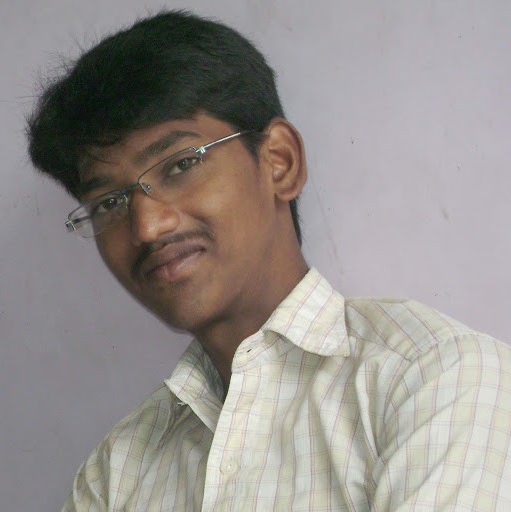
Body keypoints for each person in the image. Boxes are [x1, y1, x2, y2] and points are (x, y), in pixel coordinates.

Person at [27, 10, 511, 512]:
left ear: (280, 162)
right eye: (109, 202)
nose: (147, 226)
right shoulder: (117, 472)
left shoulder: (432, 377)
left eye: (181, 164)